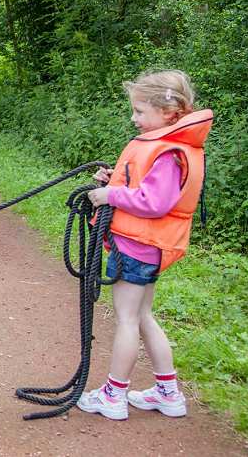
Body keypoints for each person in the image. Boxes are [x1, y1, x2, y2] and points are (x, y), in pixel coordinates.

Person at [76, 69, 213, 421]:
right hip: (147, 245)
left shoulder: (169, 152)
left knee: (126, 319)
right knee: (142, 316)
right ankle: (167, 392)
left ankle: (113, 394)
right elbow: (144, 187)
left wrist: (110, 194)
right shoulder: (171, 147)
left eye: (139, 111)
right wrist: (113, 179)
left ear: (168, 112)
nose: (133, 118)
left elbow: (155, 202)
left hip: (138, 245)